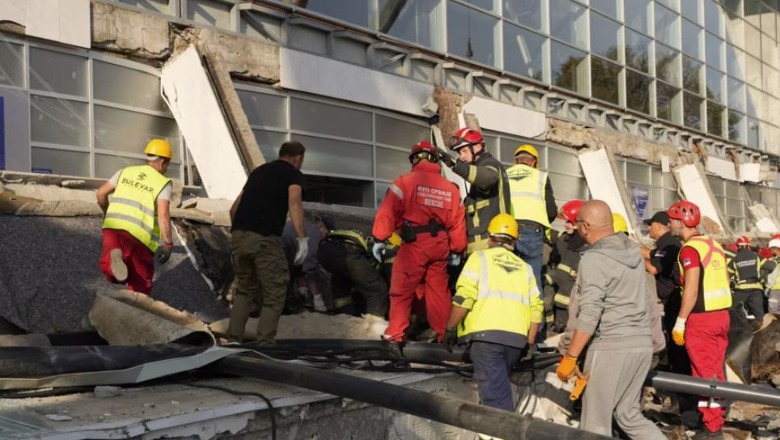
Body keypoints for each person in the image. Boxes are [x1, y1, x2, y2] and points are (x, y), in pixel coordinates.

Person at [555, 200, 665, 440]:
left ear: (584, 227)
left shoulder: (594, 259)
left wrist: (570, 355)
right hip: (641, 345)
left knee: (595, 425)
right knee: (629, 415)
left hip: (611, 347)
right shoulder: (632, 252)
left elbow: (590, 312)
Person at [443, 213, 543, 413]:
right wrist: (530, 343)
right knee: (496, 392)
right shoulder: (526, 268)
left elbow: (465, 297)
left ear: (489, 238)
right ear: (514, 241)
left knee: (496, 405)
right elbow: (536, 307)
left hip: (486, 340)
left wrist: (451, 328)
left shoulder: (479, 258)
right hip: (516, 343)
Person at [372, 140, 467, 343]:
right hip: (441, 246)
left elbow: (388, 211)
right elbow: (457, 222)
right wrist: (457, 250)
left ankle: (395, 335)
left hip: (415, 244)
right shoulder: (451, 188)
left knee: (401, 290)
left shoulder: (404, 181)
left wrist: (380, 237)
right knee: (439, 293)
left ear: (415, 158)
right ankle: (444, 336)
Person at [227, 141, 308, 344]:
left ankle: (233, 340)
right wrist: (302, 238)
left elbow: (233, 209)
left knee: (245, 290)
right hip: (264, 239)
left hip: (239, 235)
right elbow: (294, 203)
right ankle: (265, 345)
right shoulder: (293, 174)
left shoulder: (258, 172)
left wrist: (241, 233)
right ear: (298, 158)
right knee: (275, 292)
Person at [667, 200, 732, 440]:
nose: (669, 224)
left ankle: (713, 428)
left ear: (680, 222)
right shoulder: (713, 244)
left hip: (702, 319)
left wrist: (680, 321)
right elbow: (725, 278)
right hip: (722, 315)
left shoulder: (689, 250)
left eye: (672, 220)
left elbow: (692, 288)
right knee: (715, 370)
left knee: (703, 373)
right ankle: (717, 416)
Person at [640, 211, 698, 423]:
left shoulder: (670, 245)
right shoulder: (666, 245)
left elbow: (654, 267)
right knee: (675, 355)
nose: (649, 230)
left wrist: (632, 253)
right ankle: (683, 401)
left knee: (679, 357)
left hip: (676, 306)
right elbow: (652, 255)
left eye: (651, 225)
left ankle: (687, 407)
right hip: (673, 305)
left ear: (661, 225)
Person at [97, 138, 174, 295]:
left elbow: (100, 193)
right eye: (167, 164)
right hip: (139, 237)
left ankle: (114, 261)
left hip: (112, 228)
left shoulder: (125, 172)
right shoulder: (163, 182)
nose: (166, 168)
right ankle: (136, 312)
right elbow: (163, 215)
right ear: (162, 162)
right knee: (140, 283)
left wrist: (107, 212)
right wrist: (168, 243)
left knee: (111, 271)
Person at [437, 128, 511, 254]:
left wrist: (456, 166)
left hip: (491, 246)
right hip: (482, 248)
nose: (462, 156)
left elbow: (488, 178)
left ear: (477, 147)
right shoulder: (479, 168)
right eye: (460, 152)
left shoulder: (491, 164)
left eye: (464, 151)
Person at [506, 144, 557, 290]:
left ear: (516, 161)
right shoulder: (541, 176)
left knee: (511, 279)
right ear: (534, 161)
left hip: (508, 231)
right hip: (532, 231)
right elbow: (552, 211)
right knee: (533, 282)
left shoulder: (504, 174)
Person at [318, 225, 389, 329]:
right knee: (378, 290)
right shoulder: (380, 243)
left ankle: (343, 321)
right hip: (348, 251)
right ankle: (374, 328)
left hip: (325, 250)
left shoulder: (358, 233)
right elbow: (373, 271)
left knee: (342, 285)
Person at [545, 199, 587, 332]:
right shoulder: (562, 241)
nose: (565, 225)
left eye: (569, 221)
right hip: (558, 307)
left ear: (578, 223)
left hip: (577, 310)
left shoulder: (589, 247)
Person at [283, 215, 329, 312]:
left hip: (281, 248)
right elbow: (309, 264)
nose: (325, 237)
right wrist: (318, 299)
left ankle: (301, 298)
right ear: (321, 226)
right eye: (326, 233)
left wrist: (303, 292)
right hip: (282, 250)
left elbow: (299, 265)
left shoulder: (306, 227)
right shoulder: (314, 232)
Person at [728, 236, 766, 327]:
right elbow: (771, 266)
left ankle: (736, 331)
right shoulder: (756, 257)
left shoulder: (734, 259)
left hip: (741, 289)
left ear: (738, 246)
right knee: (760, 316)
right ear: (748, 246)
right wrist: (762, 277)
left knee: (733, 312)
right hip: (756, 289)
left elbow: (728, 275)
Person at [762, 238, 780, 315]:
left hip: (776, 288)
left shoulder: (774, 261)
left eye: (771, 249)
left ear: (776, 248)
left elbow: (773, 275)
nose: (771, 251)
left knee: (773, 311)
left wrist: (768, 286)